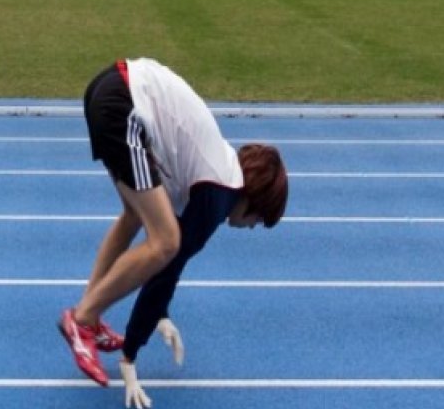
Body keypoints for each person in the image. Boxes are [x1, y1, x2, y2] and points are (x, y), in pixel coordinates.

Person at [58, 58, 288, 407]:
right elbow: (168, 265)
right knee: (165, 242)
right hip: (125, 104)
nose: (251, 228)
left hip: (109, 89)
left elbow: (164, 274)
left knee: (135, 216)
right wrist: (130, 358)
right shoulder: (216, 196)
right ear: (254, 201)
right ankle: (83, 319)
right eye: (258, 220)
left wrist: (160, 315)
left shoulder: (217, 170)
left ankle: (89, 314)